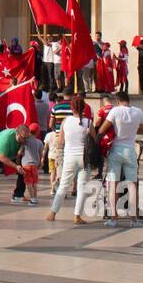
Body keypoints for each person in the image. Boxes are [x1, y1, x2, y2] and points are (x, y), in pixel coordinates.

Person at [96, 91, 143, 226]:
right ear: (128, 100)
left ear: (117, 101)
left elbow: (101, 130)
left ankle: (113, 218)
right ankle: (134, 219)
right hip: (130, 150)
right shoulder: (138, 112)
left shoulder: (115, 111)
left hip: (115, 150)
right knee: (132, 184)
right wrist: (131, 129)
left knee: (113, 185)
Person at [45, 94, 92, 224]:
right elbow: (94, 140)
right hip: (84, 158)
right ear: (84, 107)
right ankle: (77, 216)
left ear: (72, 108)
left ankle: (53, 213)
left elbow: (60, 142)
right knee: (82, 187)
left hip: (69, 157)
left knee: (63, 186)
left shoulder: (66, 121)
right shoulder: (88, 122)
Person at [0, 123, 28, 204]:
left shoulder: (25, 137)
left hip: (10, 153)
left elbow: (26, 142)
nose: (25, 140)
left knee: (26, 167)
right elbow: (2, 157)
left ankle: (18, 194)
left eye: (26, 138)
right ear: (17, 134)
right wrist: (16, 166)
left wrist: (21, 147)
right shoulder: (7, 138)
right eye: (23, 138)